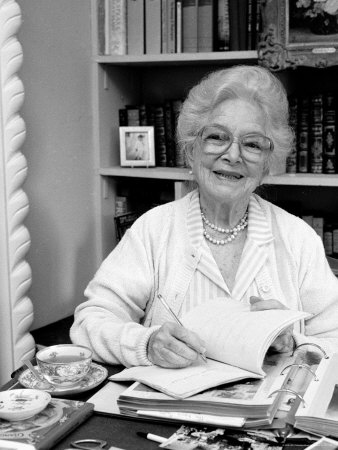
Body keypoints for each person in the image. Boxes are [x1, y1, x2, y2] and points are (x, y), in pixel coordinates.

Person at [70, 65, 338, 369]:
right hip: (168, 412)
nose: (233, 155)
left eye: (252, 144)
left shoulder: (298, 238)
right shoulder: (153, 230)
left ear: (266, 164)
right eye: (216, 137)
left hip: (267, 414)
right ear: (191, 152)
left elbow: (334, 338)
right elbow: (91, 322)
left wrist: (292, 344)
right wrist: (146, 343)